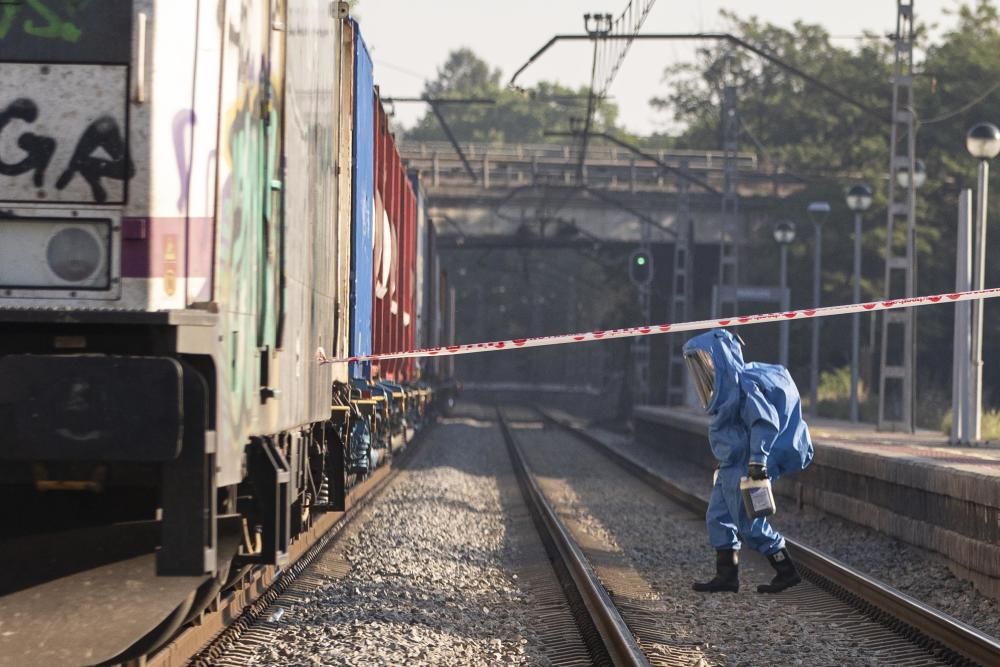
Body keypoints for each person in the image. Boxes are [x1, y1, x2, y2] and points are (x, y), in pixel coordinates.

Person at [682, 328, 813, 594]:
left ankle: (785, 570)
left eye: (707, 364)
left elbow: (765, 424)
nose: (704, 375)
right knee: (717, 517)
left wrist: (758, 462)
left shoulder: (745, 388)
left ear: (720, 361)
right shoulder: (728, 395)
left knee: (749, 524)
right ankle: (727, 576)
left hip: (747, 467)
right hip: (731, 466)